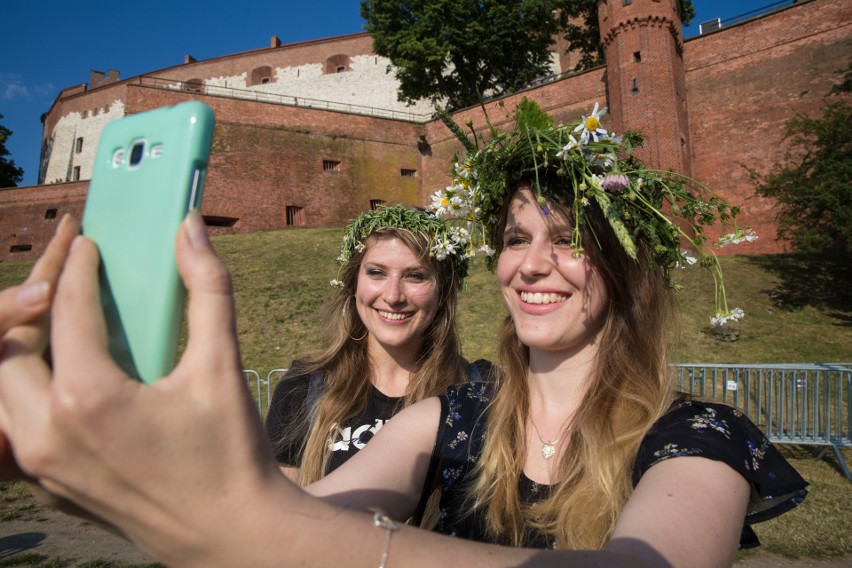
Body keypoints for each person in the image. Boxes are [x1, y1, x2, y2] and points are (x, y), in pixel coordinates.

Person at [0, 101, 807, 568]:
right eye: (516, 237)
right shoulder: (459, 415)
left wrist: (255, 522)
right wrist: (138, 465)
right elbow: (304, 509)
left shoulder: (700, 438)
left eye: (566, 240)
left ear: (629, 272)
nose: (532, 264)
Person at [264, 205, 489, 484]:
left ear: (442, 292)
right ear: (353, 284)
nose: (393, 296)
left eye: (415, 275)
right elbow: (282, 515)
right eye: (376, 273)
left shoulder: (479, 392)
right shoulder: (303, 387)